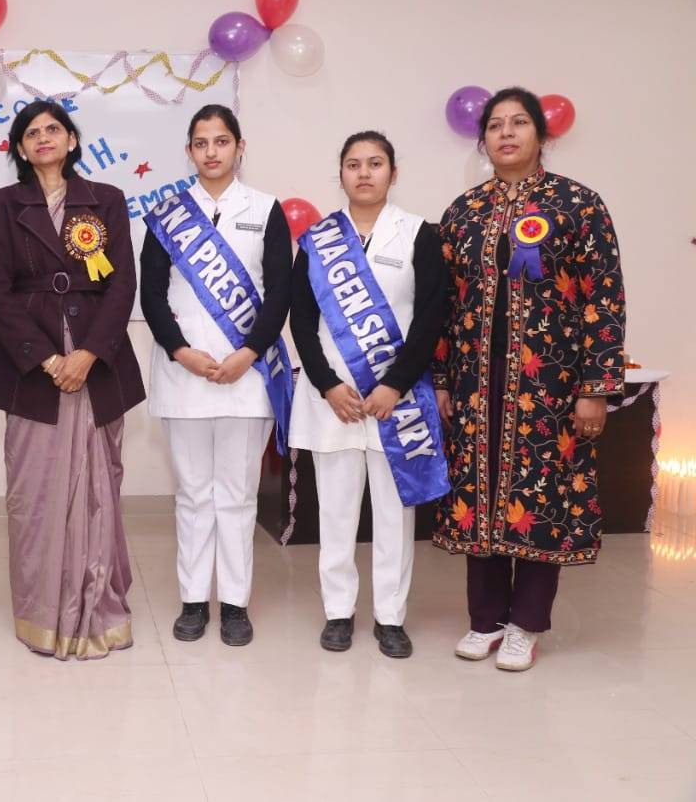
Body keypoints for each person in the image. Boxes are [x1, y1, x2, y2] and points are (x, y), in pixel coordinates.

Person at [432, 87, 626, 671]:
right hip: (475, 384)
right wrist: (441, 378)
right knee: (480, 494)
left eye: (519, 123)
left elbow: (604, 299)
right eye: (495, 125)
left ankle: (526, 624)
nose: (507, 133)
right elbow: (443, 303)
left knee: (541, 496)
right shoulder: (463, 212)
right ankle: (485, 620)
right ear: (483, 140)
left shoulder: (578, 205)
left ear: (541, 134)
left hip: (550, 387)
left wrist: (595, 388)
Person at [0, 100, 145, 660]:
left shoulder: (107, 200)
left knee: (99, 490)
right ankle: (42, 614)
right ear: (21, 149)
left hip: (98, 364)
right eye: (32, 132)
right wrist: (48, 360)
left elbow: (122, 285)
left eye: (53, 129)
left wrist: (89, 353)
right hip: (31, 368)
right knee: (35, 494)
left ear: (72, 140)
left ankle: (98, 610)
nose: (43, 137)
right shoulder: (2, 205)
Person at [290, 131, 449, 659]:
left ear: (393, 174)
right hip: (333, 400)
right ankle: (338, 612)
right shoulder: (318, 240)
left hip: (396, 402)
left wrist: (394, 384)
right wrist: (327, 384)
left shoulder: (418, 234)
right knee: (335, 513)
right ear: (340, 174)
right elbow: (302, 321)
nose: (364, 173)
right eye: (353, 164)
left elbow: (430, 318)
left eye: (375, 163)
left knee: (394, 516)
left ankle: (390, 618)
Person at [140, 104, 293, 646]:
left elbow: (280, 291)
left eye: (221, 141)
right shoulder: (166, 214)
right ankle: (192, 601)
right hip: (184, 375)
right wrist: (180, 351)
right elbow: (151, 293)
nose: (212, 152)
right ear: (189, 151)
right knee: (192, 494)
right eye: (201, 143)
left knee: (237, 494)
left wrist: (249, 352)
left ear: (239, 147)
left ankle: (234, 603)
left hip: (247, 376)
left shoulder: (266, 209)